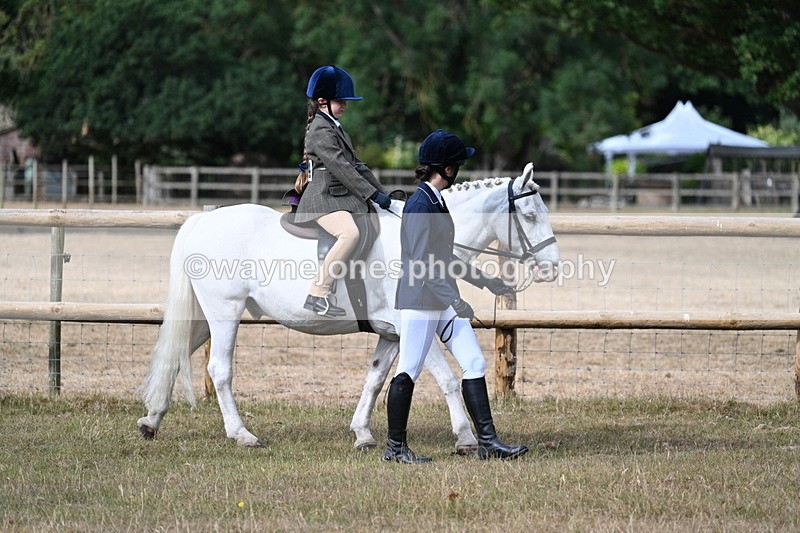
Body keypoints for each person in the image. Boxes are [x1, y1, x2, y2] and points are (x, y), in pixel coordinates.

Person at [384, 130, 528, 464]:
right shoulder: (421, 203)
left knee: (474, 362)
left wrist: (488, 282)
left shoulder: (435, 200)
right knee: (408, 370)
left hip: (439, 299)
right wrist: (455, 299)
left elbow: (445, 258)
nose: (460, 168)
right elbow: (421, 263)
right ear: (446, 168)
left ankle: (489, 443)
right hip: (420, 300)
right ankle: (395, 448)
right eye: (457, 163)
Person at [294, 65, 392, 318]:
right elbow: (341, 168)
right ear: (322, 101)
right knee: (349, 233)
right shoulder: (320, 130)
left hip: (338, 197)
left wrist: (384, 194)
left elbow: (358, 165)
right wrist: (370, 195)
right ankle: (317, 293)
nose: (345, 105)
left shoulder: (335, 127)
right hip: (322, 199)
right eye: (341, 100)